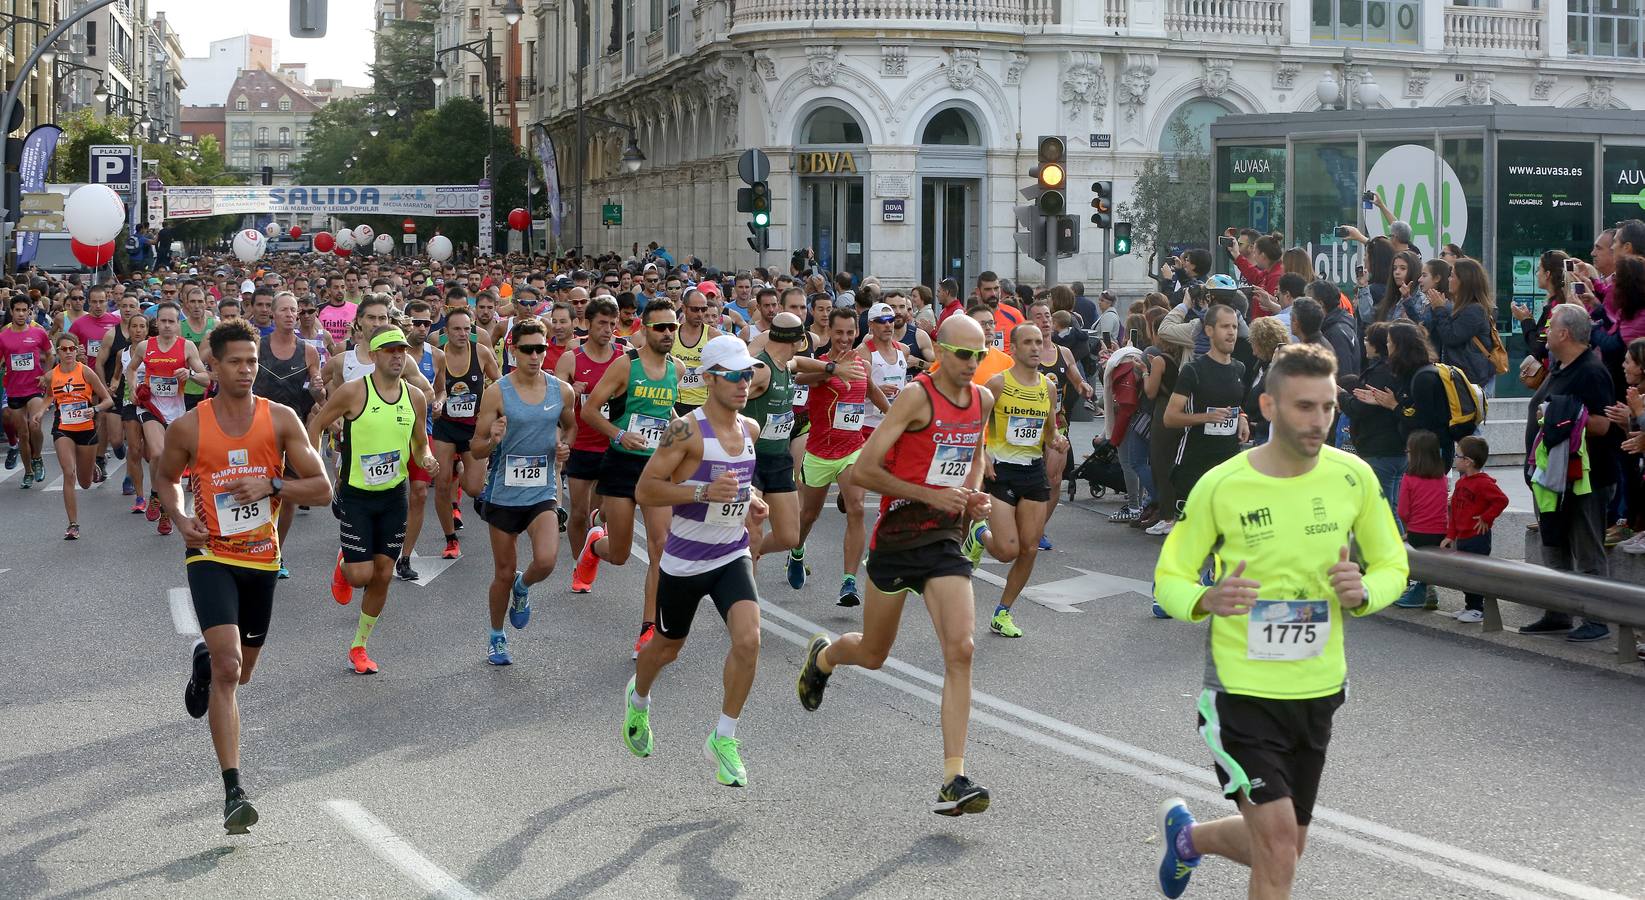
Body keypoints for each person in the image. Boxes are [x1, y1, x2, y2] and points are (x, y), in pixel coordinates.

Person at [1151, 342, 1407, 900]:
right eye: (1303, 407)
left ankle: (1190, 839)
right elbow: (1168, 578)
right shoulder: (1223, 485)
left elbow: (1394, 564)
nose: (1319, 421)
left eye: (1328, 407)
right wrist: (1205, 599)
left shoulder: (1353, 478)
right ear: (1268, 406)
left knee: (1284, 846)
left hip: (1318, 690)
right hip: (1242, 694)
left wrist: (1365, 591)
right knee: (1279, 853)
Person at [796, 314, 995, 816]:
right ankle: (824, 657)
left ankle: (954, 777)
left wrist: (971, 496)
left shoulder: (983, 400)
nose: (972, 364)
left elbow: (971, 454)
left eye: (980, 354)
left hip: (945, 540)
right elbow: (865, 470)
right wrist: (932, 494)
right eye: (963, 354)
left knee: (963, 649)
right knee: (873, 653)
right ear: (939, 353)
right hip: (898, 537)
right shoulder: (915, 397)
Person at [154, 318, 331, 835]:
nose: (247, 369)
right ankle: (234, 789)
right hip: (210, 555)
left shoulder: (280, 421)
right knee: (232, 671)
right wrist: (181, 517)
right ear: (213, 365)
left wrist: (273, 483)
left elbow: (322, 488)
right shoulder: (190, 426)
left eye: (253, 361)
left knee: (240, 672)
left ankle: (204, 660)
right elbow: (167, 479)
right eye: (236, 361)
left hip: (261, 559)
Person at [623, 335, 769, 787]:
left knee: (749, 640)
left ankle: (724, 737)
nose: (743, 383)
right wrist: (703, 492)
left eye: (747, 374)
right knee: (666, 649)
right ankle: (639, 699)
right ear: (708, 379)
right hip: (684, 561)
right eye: (733, 376)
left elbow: (738, 485)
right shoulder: (684, 430)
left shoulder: (750, 429)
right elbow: (646, 491)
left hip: (730, 552)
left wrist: (752, 501)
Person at [307, 326, 438, 675]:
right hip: (356, 496)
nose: (398, 356)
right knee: (360, 574)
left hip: (395, 496)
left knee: (382, 574)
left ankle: (359, 645)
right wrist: (314, 465)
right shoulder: (353, 393)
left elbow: (418, 441)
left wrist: (424, 457)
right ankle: (344, 563)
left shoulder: (416, 397)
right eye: (390, 350)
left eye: (402, 351)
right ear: (375, 355)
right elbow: (318, 423)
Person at [577, 298, 681, 657]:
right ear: (644, 329)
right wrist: (619, 435)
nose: (668, 333)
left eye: (673, 327)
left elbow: (666, 411)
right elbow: (589, 410)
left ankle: (648, 629)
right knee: (619, 554)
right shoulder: (625, 366)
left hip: (657, 470)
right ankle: (594, 547)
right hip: (621, 464)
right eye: (661, 327)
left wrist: (679, 435)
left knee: (661, 549)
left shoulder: (677, 369)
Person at [471, 317, 575, 665]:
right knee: (502, 571)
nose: (535, 356)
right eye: (528, 349)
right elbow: (476, 448)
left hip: (542, 490)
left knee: (545, 561)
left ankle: (523, 586)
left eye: (541, 349)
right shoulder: (497, 392)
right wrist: (492, 439)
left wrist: (564, 447)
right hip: (503, 492)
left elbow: (570, 428)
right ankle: (497, 636)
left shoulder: (561, 390)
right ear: (513, 350)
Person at [1519, 303, 1620, 643]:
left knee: (1587, 549)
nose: (1545, 330)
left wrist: (1567, 417)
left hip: (1584, 480)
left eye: (1551, 325)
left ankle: (1597, 619)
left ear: (1564, 333)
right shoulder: (1561, 366)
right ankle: (1557, 612)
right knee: (1555, 544)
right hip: (1552, 479)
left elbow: (1604, 425)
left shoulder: (1591, 371)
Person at [965, 323, 1066, 638]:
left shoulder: (1047, 387)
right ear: (1014, 348)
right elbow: (975, 426)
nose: (1036, 348)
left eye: (1039, 342)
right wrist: (985, 455)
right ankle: (979, 533)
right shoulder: (997, 384)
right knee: (1007, 550)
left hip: (1032, 471)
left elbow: (1048, 431)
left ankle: (1002, 612)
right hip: (1002, 471)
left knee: (1030, 548)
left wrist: (1057, 440)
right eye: (1028, 342)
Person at [790, 307, 871, 606]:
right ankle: (796, 551)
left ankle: (849, 583)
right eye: (839, 333)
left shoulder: (863, 364)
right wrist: (831, 372)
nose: (845, 338)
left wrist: (896, 418)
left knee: (858, 508)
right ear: (830, 333)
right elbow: (798, 379)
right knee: (808, 515)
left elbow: (872, 391)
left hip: (852, 448)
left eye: (850, 333)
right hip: (820, 452)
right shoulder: (821, 365)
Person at [253, 294, 324, 578]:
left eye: (294, 310)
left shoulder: (308, 351)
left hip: (293, 428)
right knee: (260, 491)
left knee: (289, 492)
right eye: (284, 310)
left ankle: (277, 552)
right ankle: (254, 545)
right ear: (272, 313)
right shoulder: (259, 346)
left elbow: (318, 395)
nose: (290, 314)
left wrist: (319, 388)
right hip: (259, 426)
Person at [129, 303, 211, 534]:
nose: (166, 325)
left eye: (171, 321)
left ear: (178, 324)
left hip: (176, 412)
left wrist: (191, 373)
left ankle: (162, 504)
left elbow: (206, 379)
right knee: (156, 453)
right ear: (156, 323)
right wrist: (133, 386)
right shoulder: (146, 346)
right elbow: (132, 369)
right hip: (151, 408)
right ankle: (157, 494)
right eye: (163, 321)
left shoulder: (187, 348)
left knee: (169, 461)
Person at [556, 296, 622, 568]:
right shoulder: (572, 358)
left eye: (612, 324)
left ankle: (591, 548)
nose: (607, 330)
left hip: (613, 446)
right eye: (602, 323)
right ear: (588, 324)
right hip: (582, 445)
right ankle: (578, 563)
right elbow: (554, 398)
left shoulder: (623, 358)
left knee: (602, 513)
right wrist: (571, 391)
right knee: (580, 514)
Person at [430, 306, 500, 559]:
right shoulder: (438, 355)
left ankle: (461, 468)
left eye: (467, 329)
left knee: (472, 489)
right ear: (446, 332)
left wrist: (493, 416)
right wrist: (434, 404)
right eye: (457, 329)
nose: (462, 333)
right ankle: (451, 539)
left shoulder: (480, 352)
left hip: (474, 428)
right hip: (445, 426)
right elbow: (426, 387)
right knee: (441, 485)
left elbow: (500, 384)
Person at [40, 332, 114, 538]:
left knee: (85, 483)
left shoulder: (86, 372)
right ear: (58, 352)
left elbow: (107, 400)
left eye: (72, 348)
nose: (68, 352)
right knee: (68, 472)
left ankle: (93, 467)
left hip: (87, 430)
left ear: (77, 350)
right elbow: (48, 398)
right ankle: (73, 524)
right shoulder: (52, 375)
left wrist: (96, 409)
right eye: (64, 349)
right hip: (63, 428)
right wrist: (38, 412)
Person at [1442, 435, 1507, 624]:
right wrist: (1450, 535)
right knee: (1464, 573)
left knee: (1475, 574)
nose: (1455, 459)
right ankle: (1470, 606)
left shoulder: (1483, 483)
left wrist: (1486, 517)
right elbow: (1454, 511)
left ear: (1468, 461)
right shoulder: (1461, 483)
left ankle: (1477, 608)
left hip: (1478, 537)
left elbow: (1501, 500)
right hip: (1462, 536)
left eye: (1458, 456)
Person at [1343, 321, 1406, 509]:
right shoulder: (1395, 369)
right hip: (1395, 448)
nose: (1364, 343)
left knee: (1384, 508)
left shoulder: (1379, 373)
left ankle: (1393, 540)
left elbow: (1361, 408)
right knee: (1392, 507)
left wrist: (1341, 395)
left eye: (1367, 340)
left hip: (1380, 449)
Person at [1393, 430, 1449, 610]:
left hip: (1418, 533)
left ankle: (1418, 590)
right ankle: (1426, 587)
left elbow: (1402, 510)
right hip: (1440, 533)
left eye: (1408, 452)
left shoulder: (1409, 478)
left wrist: (1409, 530)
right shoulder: (1442, 477)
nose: (1406, 455)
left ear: (1415, 455)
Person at [1, 295, 50, 487]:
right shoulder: (3, 337)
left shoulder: (39, 333)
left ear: (30, 311)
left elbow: (50, 354)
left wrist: (46, 375)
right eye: (17, 310)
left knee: (35, 424)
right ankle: (28, 471)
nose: (21, 314)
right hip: (14, 390)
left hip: (34, 387)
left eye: (24, 310)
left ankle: (37, 457)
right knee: (23, 434)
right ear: (11, 311)